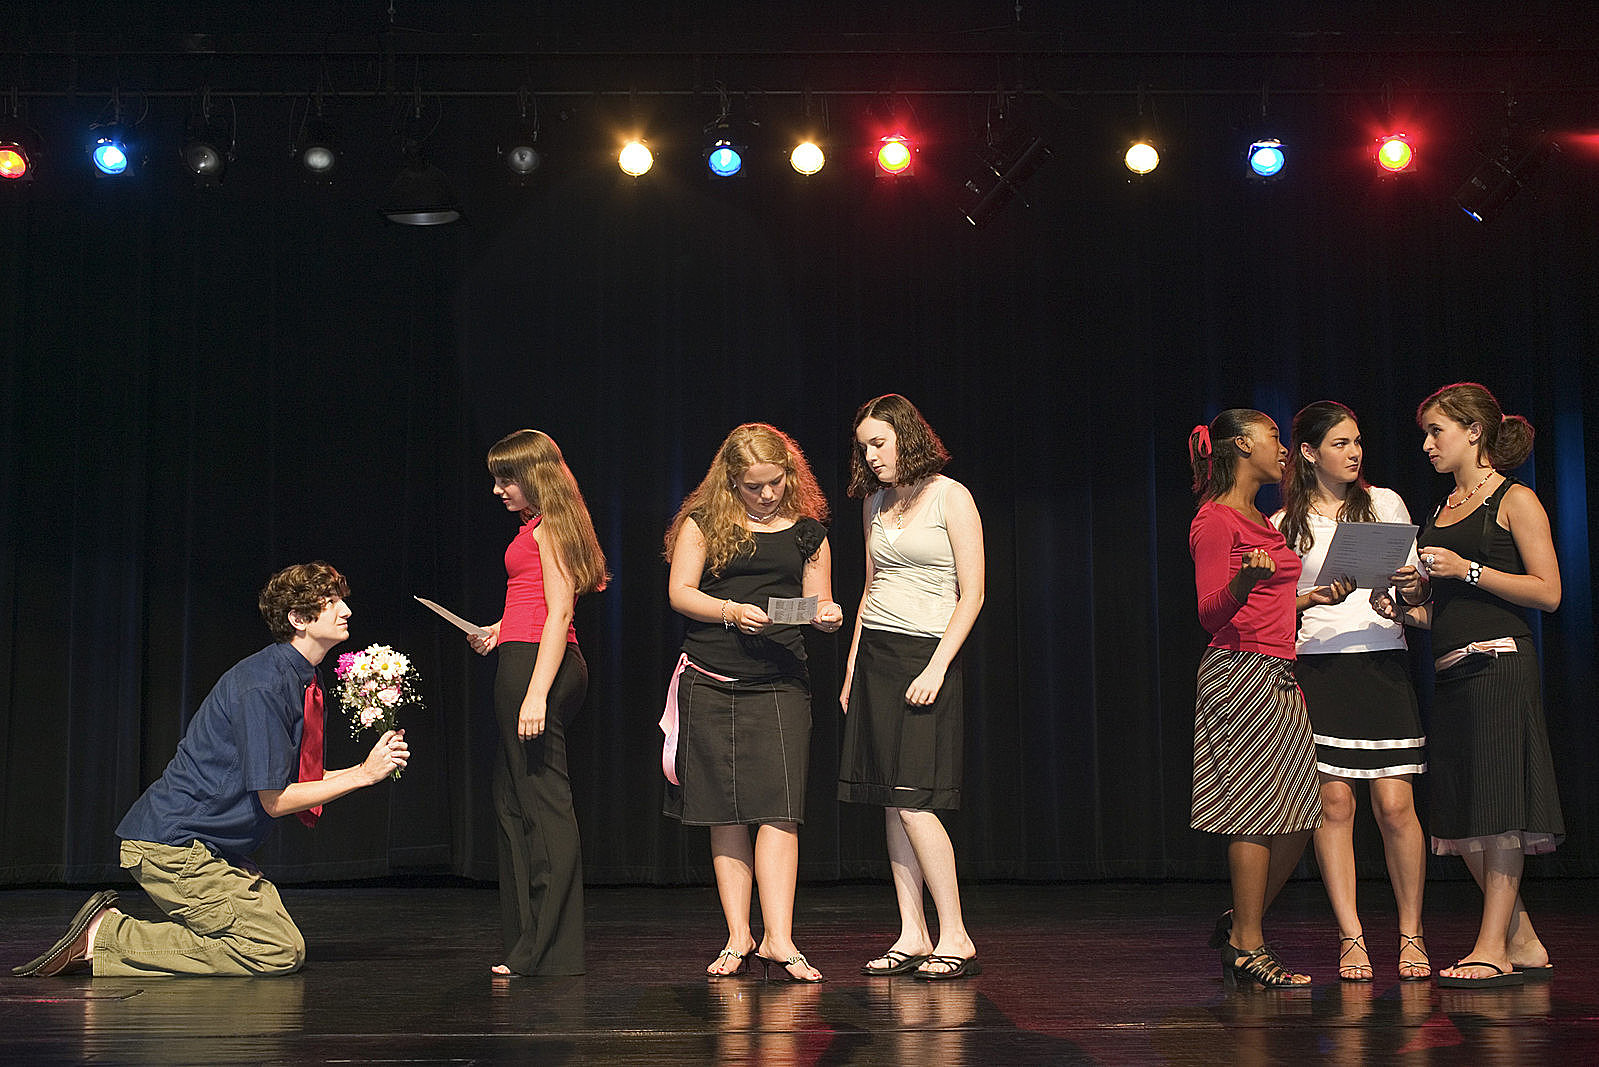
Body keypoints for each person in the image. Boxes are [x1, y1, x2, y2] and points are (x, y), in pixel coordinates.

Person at [13, 561, 409, 978]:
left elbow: (295, 780)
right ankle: (106, 937)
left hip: (213, 849)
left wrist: (369, 770)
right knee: (274, 950)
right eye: (330, 603)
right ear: (298, 619)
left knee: (284, 944)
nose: (345, 610)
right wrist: (362, 773)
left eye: (341, 601)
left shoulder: (299, 679)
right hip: (172, 847)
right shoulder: (264, 686)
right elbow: (275, 800)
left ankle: (114, 936)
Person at [1389, 383, 1563, 989]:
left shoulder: (1516, 501)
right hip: (1451, 673)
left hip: (1499, 668)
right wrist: (1408, 609)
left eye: (1438, 431)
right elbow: (1451, 609)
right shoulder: (1442, 509)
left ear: (1472, 431)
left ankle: (1493, 946)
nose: (1429, 444)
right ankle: (1523, 937)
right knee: (1462, 818)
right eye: (1427, 433)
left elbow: (1548, 591)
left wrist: (1469, 568)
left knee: (1499, 811)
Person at [661, 423, 843, 983]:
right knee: (725, 810)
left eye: (776, 482)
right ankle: (740, 934)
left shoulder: (809, 534)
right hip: (711, 679)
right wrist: (732, 611)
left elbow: (818, 601)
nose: (767, 495)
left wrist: (826, 614)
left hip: (781, 683)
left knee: (781, 810)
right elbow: (681, 593)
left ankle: (779, 939)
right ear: (730, 482)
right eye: (753, 486)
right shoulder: (704, 524)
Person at [1187, 409, 1351, 988]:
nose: (1283, 448)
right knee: (1253, 825)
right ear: (1241, 445)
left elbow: (1272, 601)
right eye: (1275, 437)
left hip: (1282, 671)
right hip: (1239, 670)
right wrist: (1243, 582)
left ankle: (1240, 923)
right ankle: (1249, 946)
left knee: (1302, 822)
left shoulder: (1261, 519)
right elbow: (1211, 610)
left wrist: (1313, 598)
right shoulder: (1215, 520)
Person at [1273, 401, 1430, 983]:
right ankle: (1352, 936)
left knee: (1395, 805)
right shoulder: (1283, 524)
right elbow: (1271, 611)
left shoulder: (1384, 503)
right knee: (1335, 805)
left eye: (1357, 441)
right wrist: (1315, 597)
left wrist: (1405, 592)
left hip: (1383, 660)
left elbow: (1415, 587)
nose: (1354, 452)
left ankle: (1411, 935)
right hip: (1320, 666)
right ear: (1309, 453)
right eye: (1340, 443)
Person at [837, 394, 985, 981]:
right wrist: (851, 668)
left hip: (929, 654)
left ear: (906, 436)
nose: (871, 456)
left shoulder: (952, 496)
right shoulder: (874, 501)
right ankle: (912, 931)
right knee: (890, 799)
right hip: (876, 655)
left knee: (916, 799)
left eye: (879, 442)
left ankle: (956, 932)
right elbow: (869, 590)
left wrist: (937, 667)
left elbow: (971, 594)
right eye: (864, 446)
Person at [467, 429, 609, 977]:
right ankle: (529, 942)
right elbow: (534, 604)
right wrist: (498, 630)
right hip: (526, 653)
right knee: (513, 802)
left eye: (507, 479)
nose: (498, 490)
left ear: (536, 477)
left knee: (542, 804)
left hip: (537, 667)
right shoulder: (538, 529)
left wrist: (535, 692)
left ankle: (547, 949)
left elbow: (559, 613)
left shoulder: (550, 528)